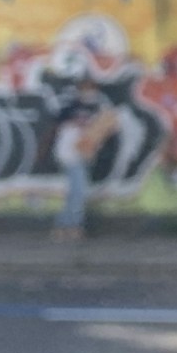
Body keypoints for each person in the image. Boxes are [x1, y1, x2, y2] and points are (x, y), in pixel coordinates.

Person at [44, 78, 117, 242]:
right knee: (78, 192)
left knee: (74, 193)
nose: (90, 93)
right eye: (87, 89)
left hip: (83, 154)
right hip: (69, 154)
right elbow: (59, 128)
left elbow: (101, 129)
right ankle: (72, 226)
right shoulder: (70, 108)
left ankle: (64, 227)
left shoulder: (95, 109)